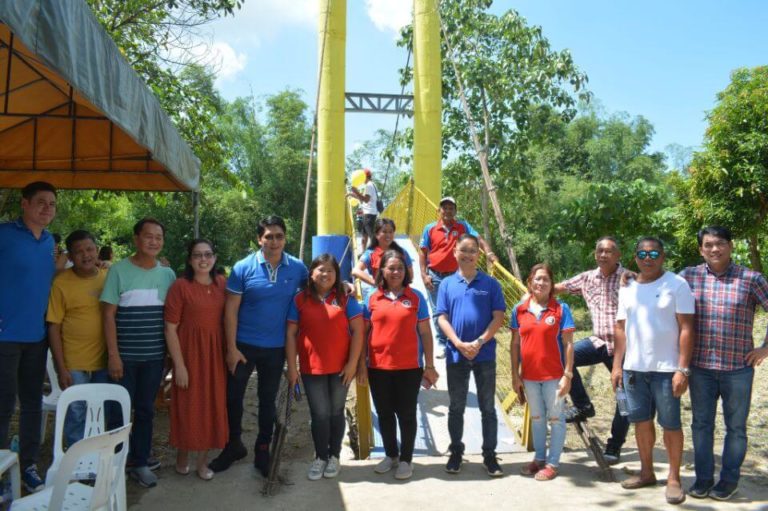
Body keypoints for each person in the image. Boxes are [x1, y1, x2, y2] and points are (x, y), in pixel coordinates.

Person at [209, 216, 308, 476]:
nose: (274, 241)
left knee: (267, 400)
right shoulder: (243, 267)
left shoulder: (297, 268)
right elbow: (230, 311)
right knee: (233, 397)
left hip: (275, 348)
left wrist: (341, 287)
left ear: (285, 238)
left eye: (279, 236)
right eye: (269, 236)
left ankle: (262, 449)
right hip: (243, 345)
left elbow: (318, 290)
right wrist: (231, 348)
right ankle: (233, 445)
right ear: (259, 239)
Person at [679, 226, 768, 501]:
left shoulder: (751, 278)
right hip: (701, 368)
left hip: (737, 368)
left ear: (730, 246)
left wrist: (765, 348)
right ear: (700, 250)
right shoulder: (688, 276)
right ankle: (704, 479)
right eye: (708, 245)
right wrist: (631, 278)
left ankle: (729, 480)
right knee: (701, 425)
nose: (714, 249)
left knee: (736, 427)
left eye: (720, 244)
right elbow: (658, 291)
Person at [611, 237, 695, 505]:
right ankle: (646, 472)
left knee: (671, 424)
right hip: (634, 370)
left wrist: (682, 368)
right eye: (643, 254)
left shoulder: (677, 285)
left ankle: (673, 479)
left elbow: (686, 328)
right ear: (635, 257)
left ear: (663, 256)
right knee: (641, 422)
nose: (648, 258)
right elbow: (621, 329)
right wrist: (617, 365)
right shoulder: (628, 288)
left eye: (654, 253)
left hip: (667, 370)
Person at [101, 217, 176, 488]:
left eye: (158, 237)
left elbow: (170, 319)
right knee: (118, 412)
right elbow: (108, 316)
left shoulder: (167, 274)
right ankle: (114, 465)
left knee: (145, 411)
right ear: (136, 239)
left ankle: (140, 462)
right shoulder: (119, 271)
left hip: (154, 358)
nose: (154, 241)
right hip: (124, 359)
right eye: (148, 236)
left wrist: (168, 357)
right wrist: (113, 355)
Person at [359, 249, 439, 480]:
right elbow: (364, 332)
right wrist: (362, 364)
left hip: (409, 367)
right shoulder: (372, 297)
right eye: (391, 268)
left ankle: (406, 459)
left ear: (406, 272)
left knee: (406, 414)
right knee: (384, 413)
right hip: (378, 366)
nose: (396, 272)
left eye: (400, 268)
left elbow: (425, 332)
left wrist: (430, 365)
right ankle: (391, 455)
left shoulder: (416, 298)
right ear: (382, 270)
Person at [0, 181, 59, 493]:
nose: (47, 208)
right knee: (3, 405)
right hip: (4, 337)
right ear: (24, 203)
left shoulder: (50, 242)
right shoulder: (4, 234)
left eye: (51, 204)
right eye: (41, 202)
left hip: (36, 337)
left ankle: (28, 466)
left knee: (32, 404)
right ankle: (0, 472)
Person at [285, 254, 364, 481]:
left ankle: (334, 456)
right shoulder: (300, 299)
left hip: (341, 368)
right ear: (311, 273)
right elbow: (290, 334)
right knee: (319, 414)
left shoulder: (345, 298)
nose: (325, 274)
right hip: (312, 369)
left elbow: (359, 330)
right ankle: (320, 457)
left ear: (337, 275)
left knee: (335, 412)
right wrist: (292, 367)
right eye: (320, 269)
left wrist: (352, 364)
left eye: (330, 270)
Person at [553, 236, 630, 464]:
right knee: (563, 355)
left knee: (624, 399)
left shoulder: (630, 279)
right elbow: (559, 287)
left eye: (609, 251)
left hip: (624, 347)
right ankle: (583, 405)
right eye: (600, 251)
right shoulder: (587, 278)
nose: (603, 255)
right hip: (598, 342)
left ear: (618, 255)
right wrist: (533, 292)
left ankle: (614, 446)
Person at [436, 234, 506, 477]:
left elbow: (499, 317)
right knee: (456, 407)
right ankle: (456, 452)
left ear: (479, 255)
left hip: (484, 354)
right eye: (463, 250)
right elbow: (442, 317)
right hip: (456, 355)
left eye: (472, 251)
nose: (467, 255)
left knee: (488, 407)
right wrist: (457, 343)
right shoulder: (446, 284)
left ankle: (489, 455)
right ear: (455, 252)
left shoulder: (490, 284)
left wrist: (478, 342)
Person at [164, 239, 228, 481]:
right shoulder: (180, 286)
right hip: (189, 356)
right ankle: (182, 456)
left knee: (211, 408)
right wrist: (178, 365)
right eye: (197, 255)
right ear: (190, 259)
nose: (203, 259)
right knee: (188, 408)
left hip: (215, 357)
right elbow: (170, 329)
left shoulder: (222, 284)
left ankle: (202, 462)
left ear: (214, 257)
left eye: (208, 254)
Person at [510, 263, 575, 481]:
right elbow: (515, 344)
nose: (541, 283)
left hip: (554, 376)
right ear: (529, 282)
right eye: (537, 279)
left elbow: (568, 344)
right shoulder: (519, 310)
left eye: (545, 279)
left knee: (556, 419)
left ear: (551, 284)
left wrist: (568, 374)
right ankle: (539, 458)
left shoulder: (561, 309)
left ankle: (553, 463)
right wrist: (514, 375)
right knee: (537, 419)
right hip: (529, 376)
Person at [47, 230, 109, 447]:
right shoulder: (61, 283)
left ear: (97, 251)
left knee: (102, 410)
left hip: (105, 360)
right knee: (77, 412)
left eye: (90, 249)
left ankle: (100, 457)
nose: (86, 255)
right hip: (74, 362)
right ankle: (78, 463)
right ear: (70, 257)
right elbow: (53, 327)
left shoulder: (108, 277)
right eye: (79, 252)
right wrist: (61, 367)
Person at [419, 196, 497, 359]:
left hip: (456, 277)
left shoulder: (463, 226)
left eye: (451, 208)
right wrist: (424, 274)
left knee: (456, 309)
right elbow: (423, 252)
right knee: (438, 311)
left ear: (455, 211)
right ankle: (441, 342)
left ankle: (455, 340)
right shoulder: (430, 228)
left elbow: (479, 239)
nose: (447, 211)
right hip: (435, 276)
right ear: (439, 210)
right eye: (444, 208)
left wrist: (489, 253)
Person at [350, 217, 414, 294]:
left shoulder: (402, 252)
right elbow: (356, 270)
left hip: (400, 292)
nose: (388, 235)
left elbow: (410, 276)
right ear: (376, 234)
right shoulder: (370, 253)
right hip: (379, 292)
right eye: (384, 232)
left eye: (391, 232)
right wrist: (374, 282)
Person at [348, 168, 379, 250]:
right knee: (364, 236)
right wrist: (353, 194)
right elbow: (362, 199)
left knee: (370, 234)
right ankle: (363, 253)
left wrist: (356, 191)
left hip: (369, 214)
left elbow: (366, 199)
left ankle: (378, 251)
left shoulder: (369, 185)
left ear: (364, 176)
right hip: (368, 213)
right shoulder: (371, 185)